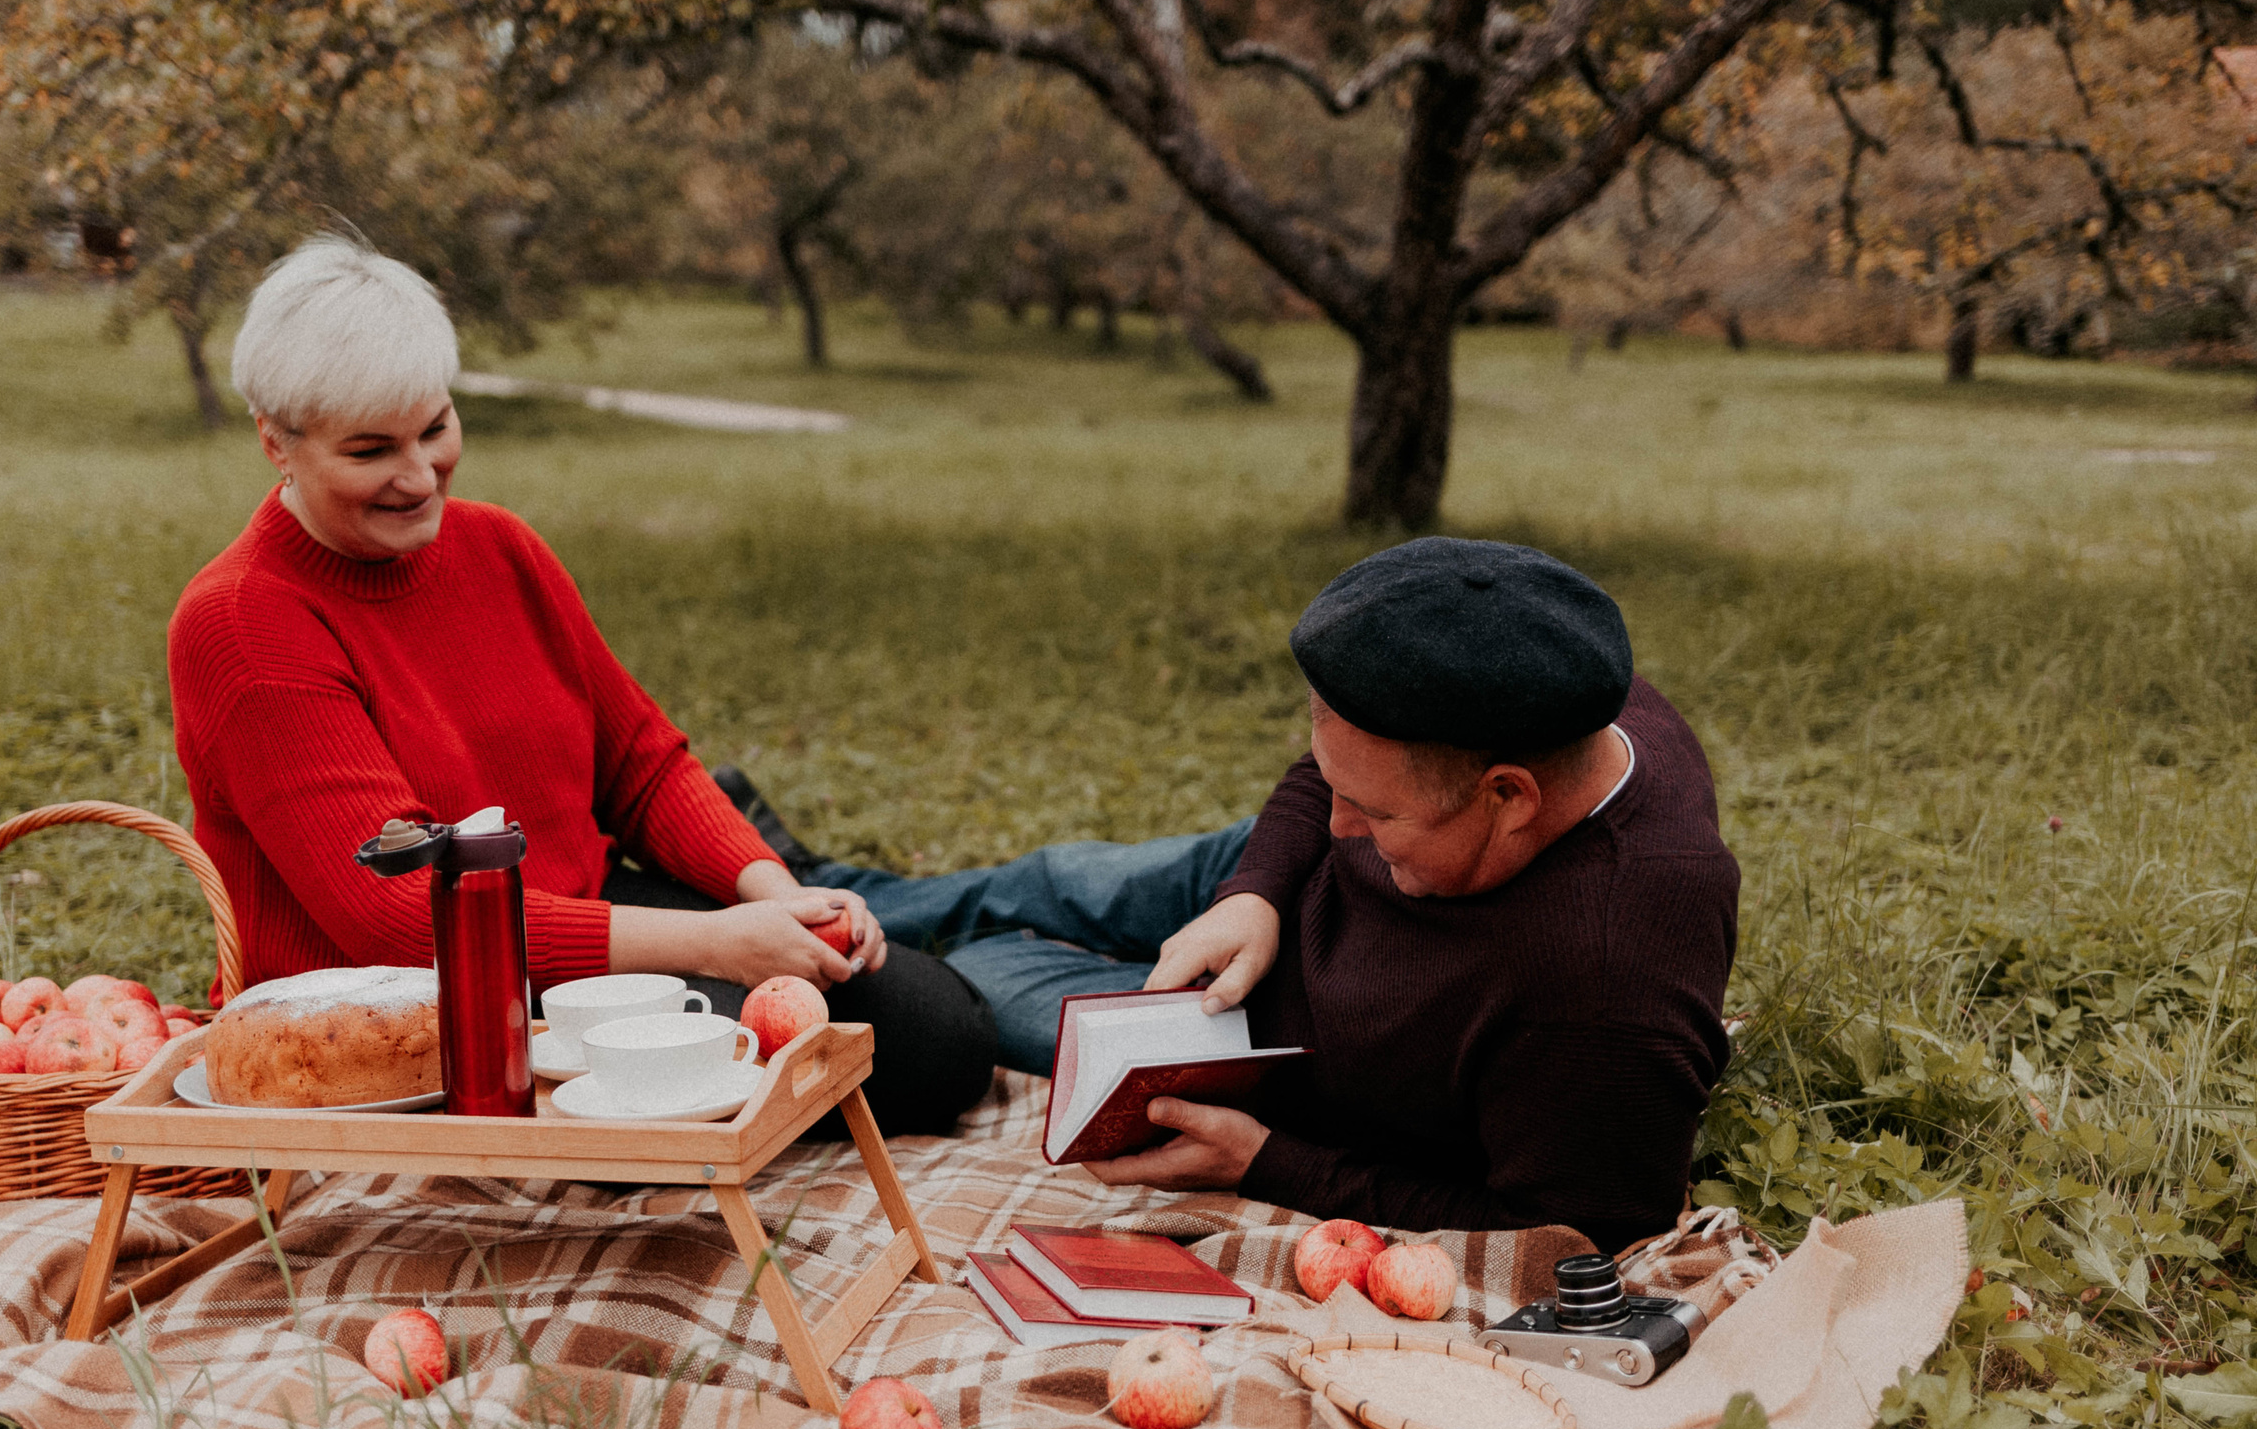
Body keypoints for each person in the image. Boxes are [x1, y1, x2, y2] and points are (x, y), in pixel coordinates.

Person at [166, 236, 995, 1134]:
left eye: (435, 428)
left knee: (939, 1026)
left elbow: (640, 762)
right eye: (370, 451)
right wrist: (717, 944)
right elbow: (401, 915)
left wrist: (770, 893)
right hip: (401, 1014)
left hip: (588, 928)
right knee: (788, 1068)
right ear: (274, 441)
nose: (418, 476)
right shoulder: (242, 621)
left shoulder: (500, 548)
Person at [740, 539, 1739, 1250]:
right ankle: (771, 888)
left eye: (1373, 813)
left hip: (1242, 1052)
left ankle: (777, 912)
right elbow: (1331, 784)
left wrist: (1264, 1163)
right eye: (1339, 786)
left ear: (1510, 798)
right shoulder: (1558, 697)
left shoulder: (1603, 998)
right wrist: (1258, 888)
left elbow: (1572, 1225)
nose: (1340, 825)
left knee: (973, 971)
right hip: (1257, 907)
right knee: (1044, 880)